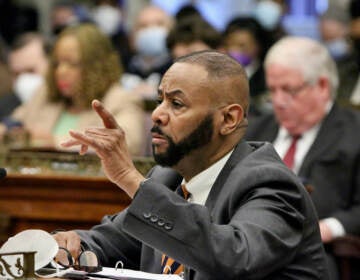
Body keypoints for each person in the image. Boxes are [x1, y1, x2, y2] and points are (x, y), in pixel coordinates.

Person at [54, 50, 329, 279]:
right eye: (160, 99)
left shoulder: (269, 183)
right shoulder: (168, 179)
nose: (157, 114)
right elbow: (110, 240)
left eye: (176, 103)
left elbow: (233, 258)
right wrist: (68, 244)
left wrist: (128, 177)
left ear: (228, 119)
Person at [245, 36, 360, 279]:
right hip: (248, 246)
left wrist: (328, 228)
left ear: (322, 86)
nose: (278, 102)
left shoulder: (354, 134)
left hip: (317, 256)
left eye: (288, 90)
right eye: (272, 90)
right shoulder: (254, 131)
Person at [2, 23, 144, 155]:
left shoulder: (121, 99)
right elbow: (13, 123)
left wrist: (55, 142)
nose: (61, 71)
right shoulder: (46, 94)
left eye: (72, 64)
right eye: (57, 63)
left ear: (97, 67)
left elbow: (128, 144)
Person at [0, 32, 49, 121]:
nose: (23, 80)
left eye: (30, 71)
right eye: (16, 74)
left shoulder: (67, 106)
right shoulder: (4, 110)